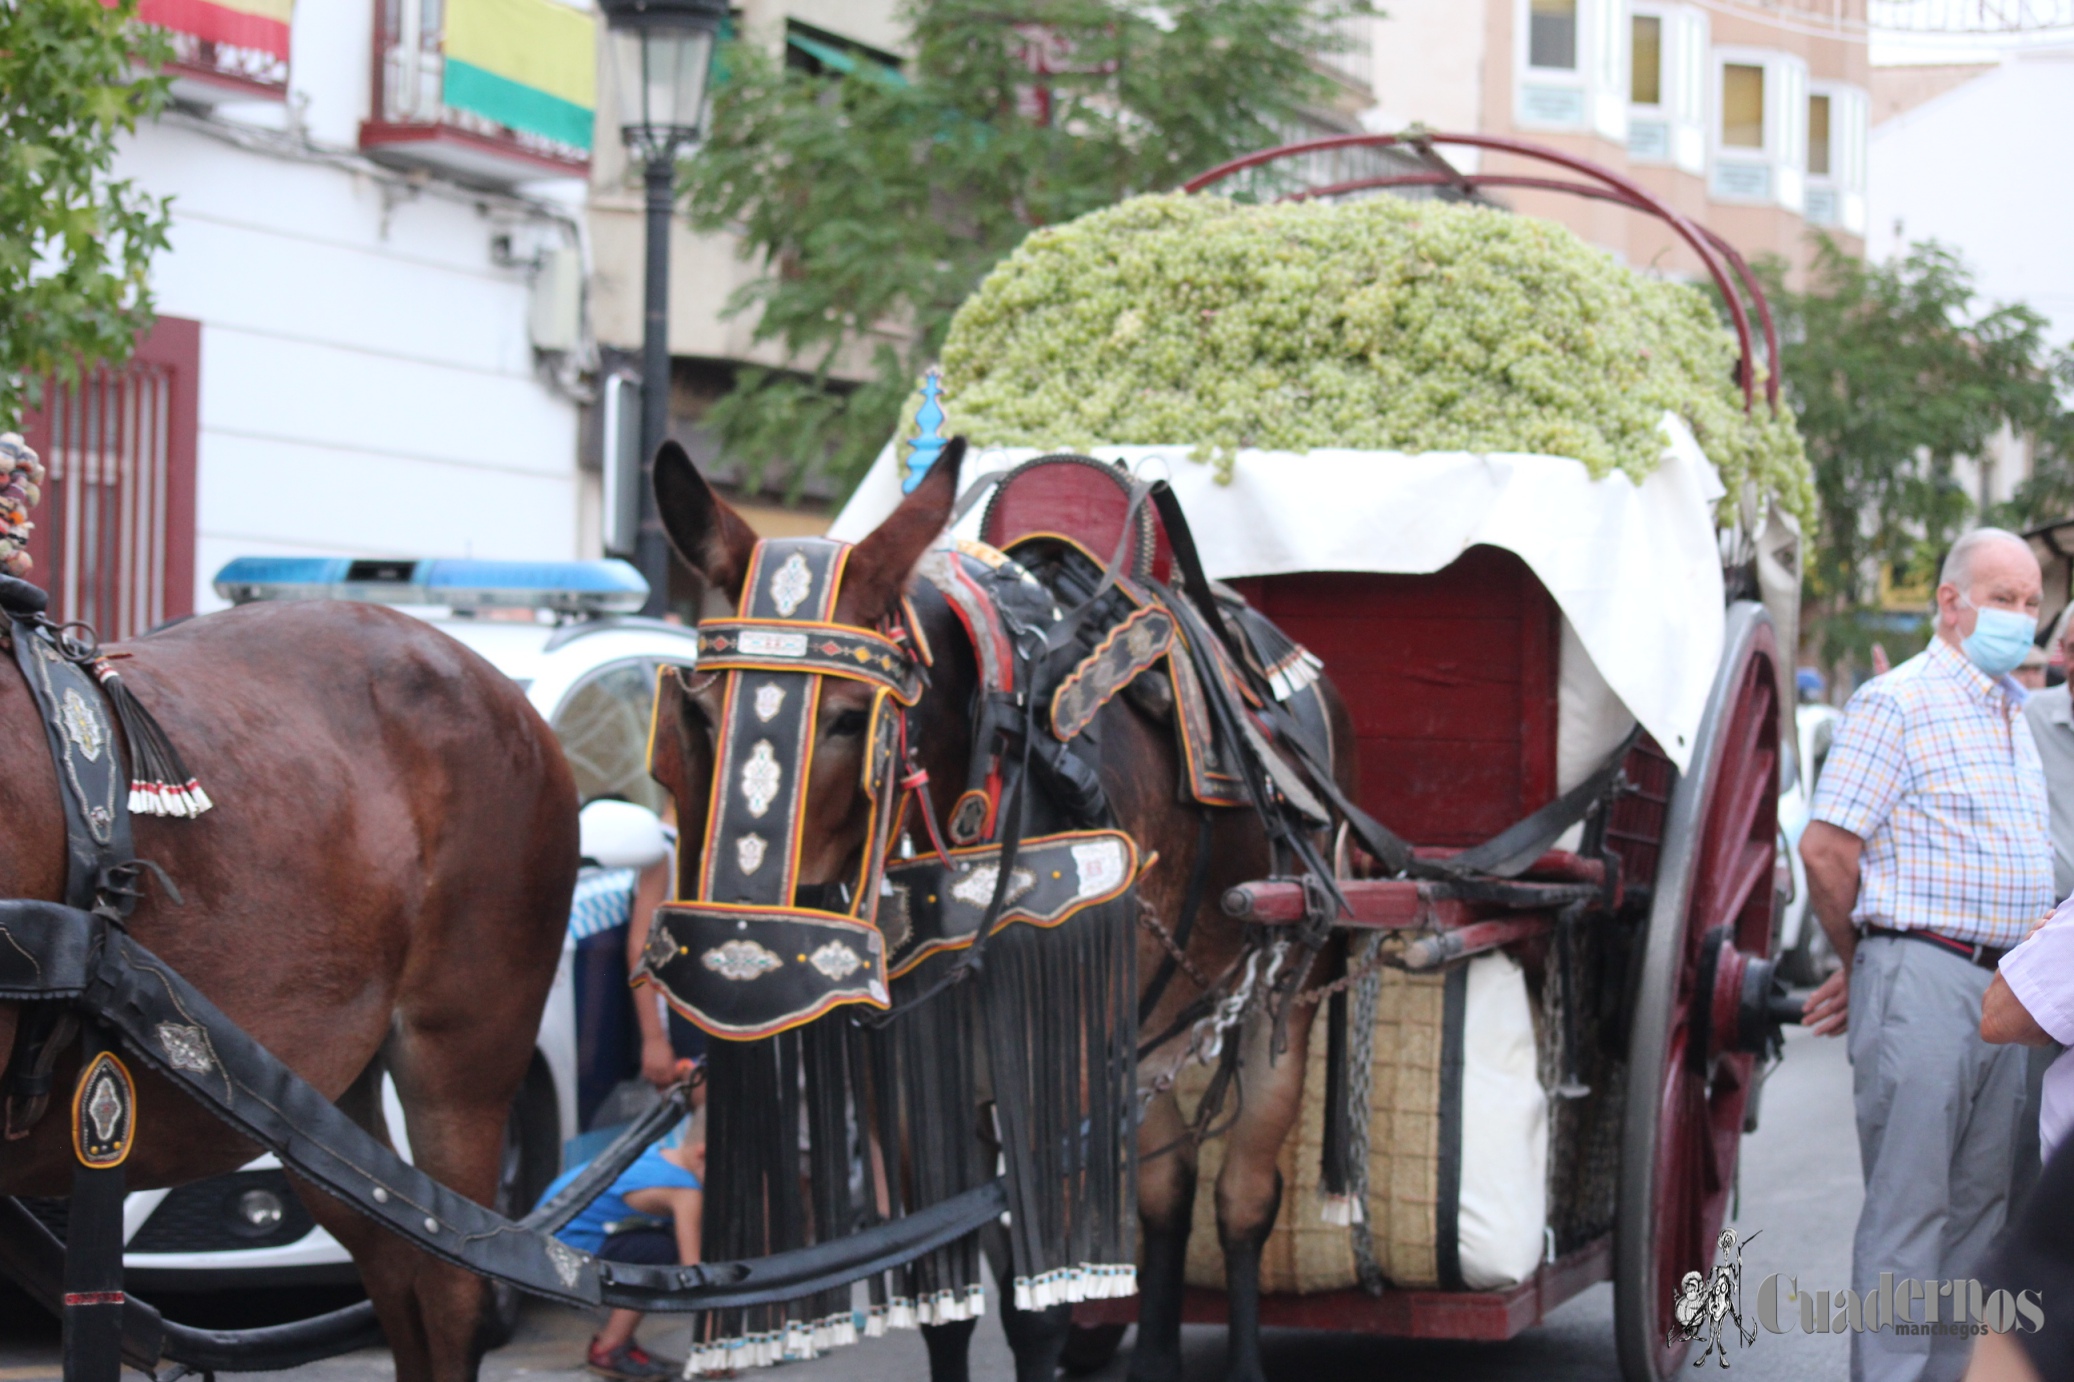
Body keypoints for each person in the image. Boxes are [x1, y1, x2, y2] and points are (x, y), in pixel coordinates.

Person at [1799, 527, 2052, 1382]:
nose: (2021, 617)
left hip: (1999, 989)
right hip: (1926, 975)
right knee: (1911, 1218)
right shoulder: (1896, 702)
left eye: (2030, 602)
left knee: (1980, 1221)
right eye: (2004, 599)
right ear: (1951, 604)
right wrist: (1866, 962)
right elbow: (1827, 848)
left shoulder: (2010, 714)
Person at [543, 1130, 705, 1379]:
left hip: (544, 1234)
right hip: (559, 1251)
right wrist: (715, 1350)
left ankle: (615, 1342)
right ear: (701, 1154)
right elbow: (694, 1274)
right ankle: (610, 1348)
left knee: (654, 1242)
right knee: (659, 1250)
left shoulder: (658, 1154)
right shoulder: (685, 1192)